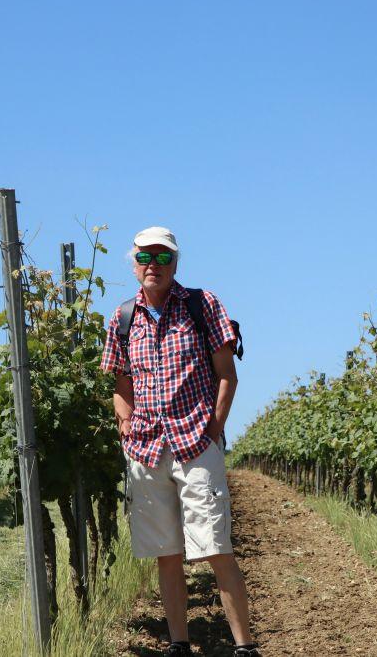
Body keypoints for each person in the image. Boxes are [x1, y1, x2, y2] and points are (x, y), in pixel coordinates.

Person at [99, 226, 260, 657]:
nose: (155, 266)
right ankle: (179, 644)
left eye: (163, 258)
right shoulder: (122, 317)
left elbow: (227, 373)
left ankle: (244, 646)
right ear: (134, 265)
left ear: (176, 262)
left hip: (194, 442)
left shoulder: (200, 305)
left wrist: (215, 427)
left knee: (214, 546)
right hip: (146, 450)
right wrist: (125, 423)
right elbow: (120, 382)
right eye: (146, 258)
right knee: (165, 552)